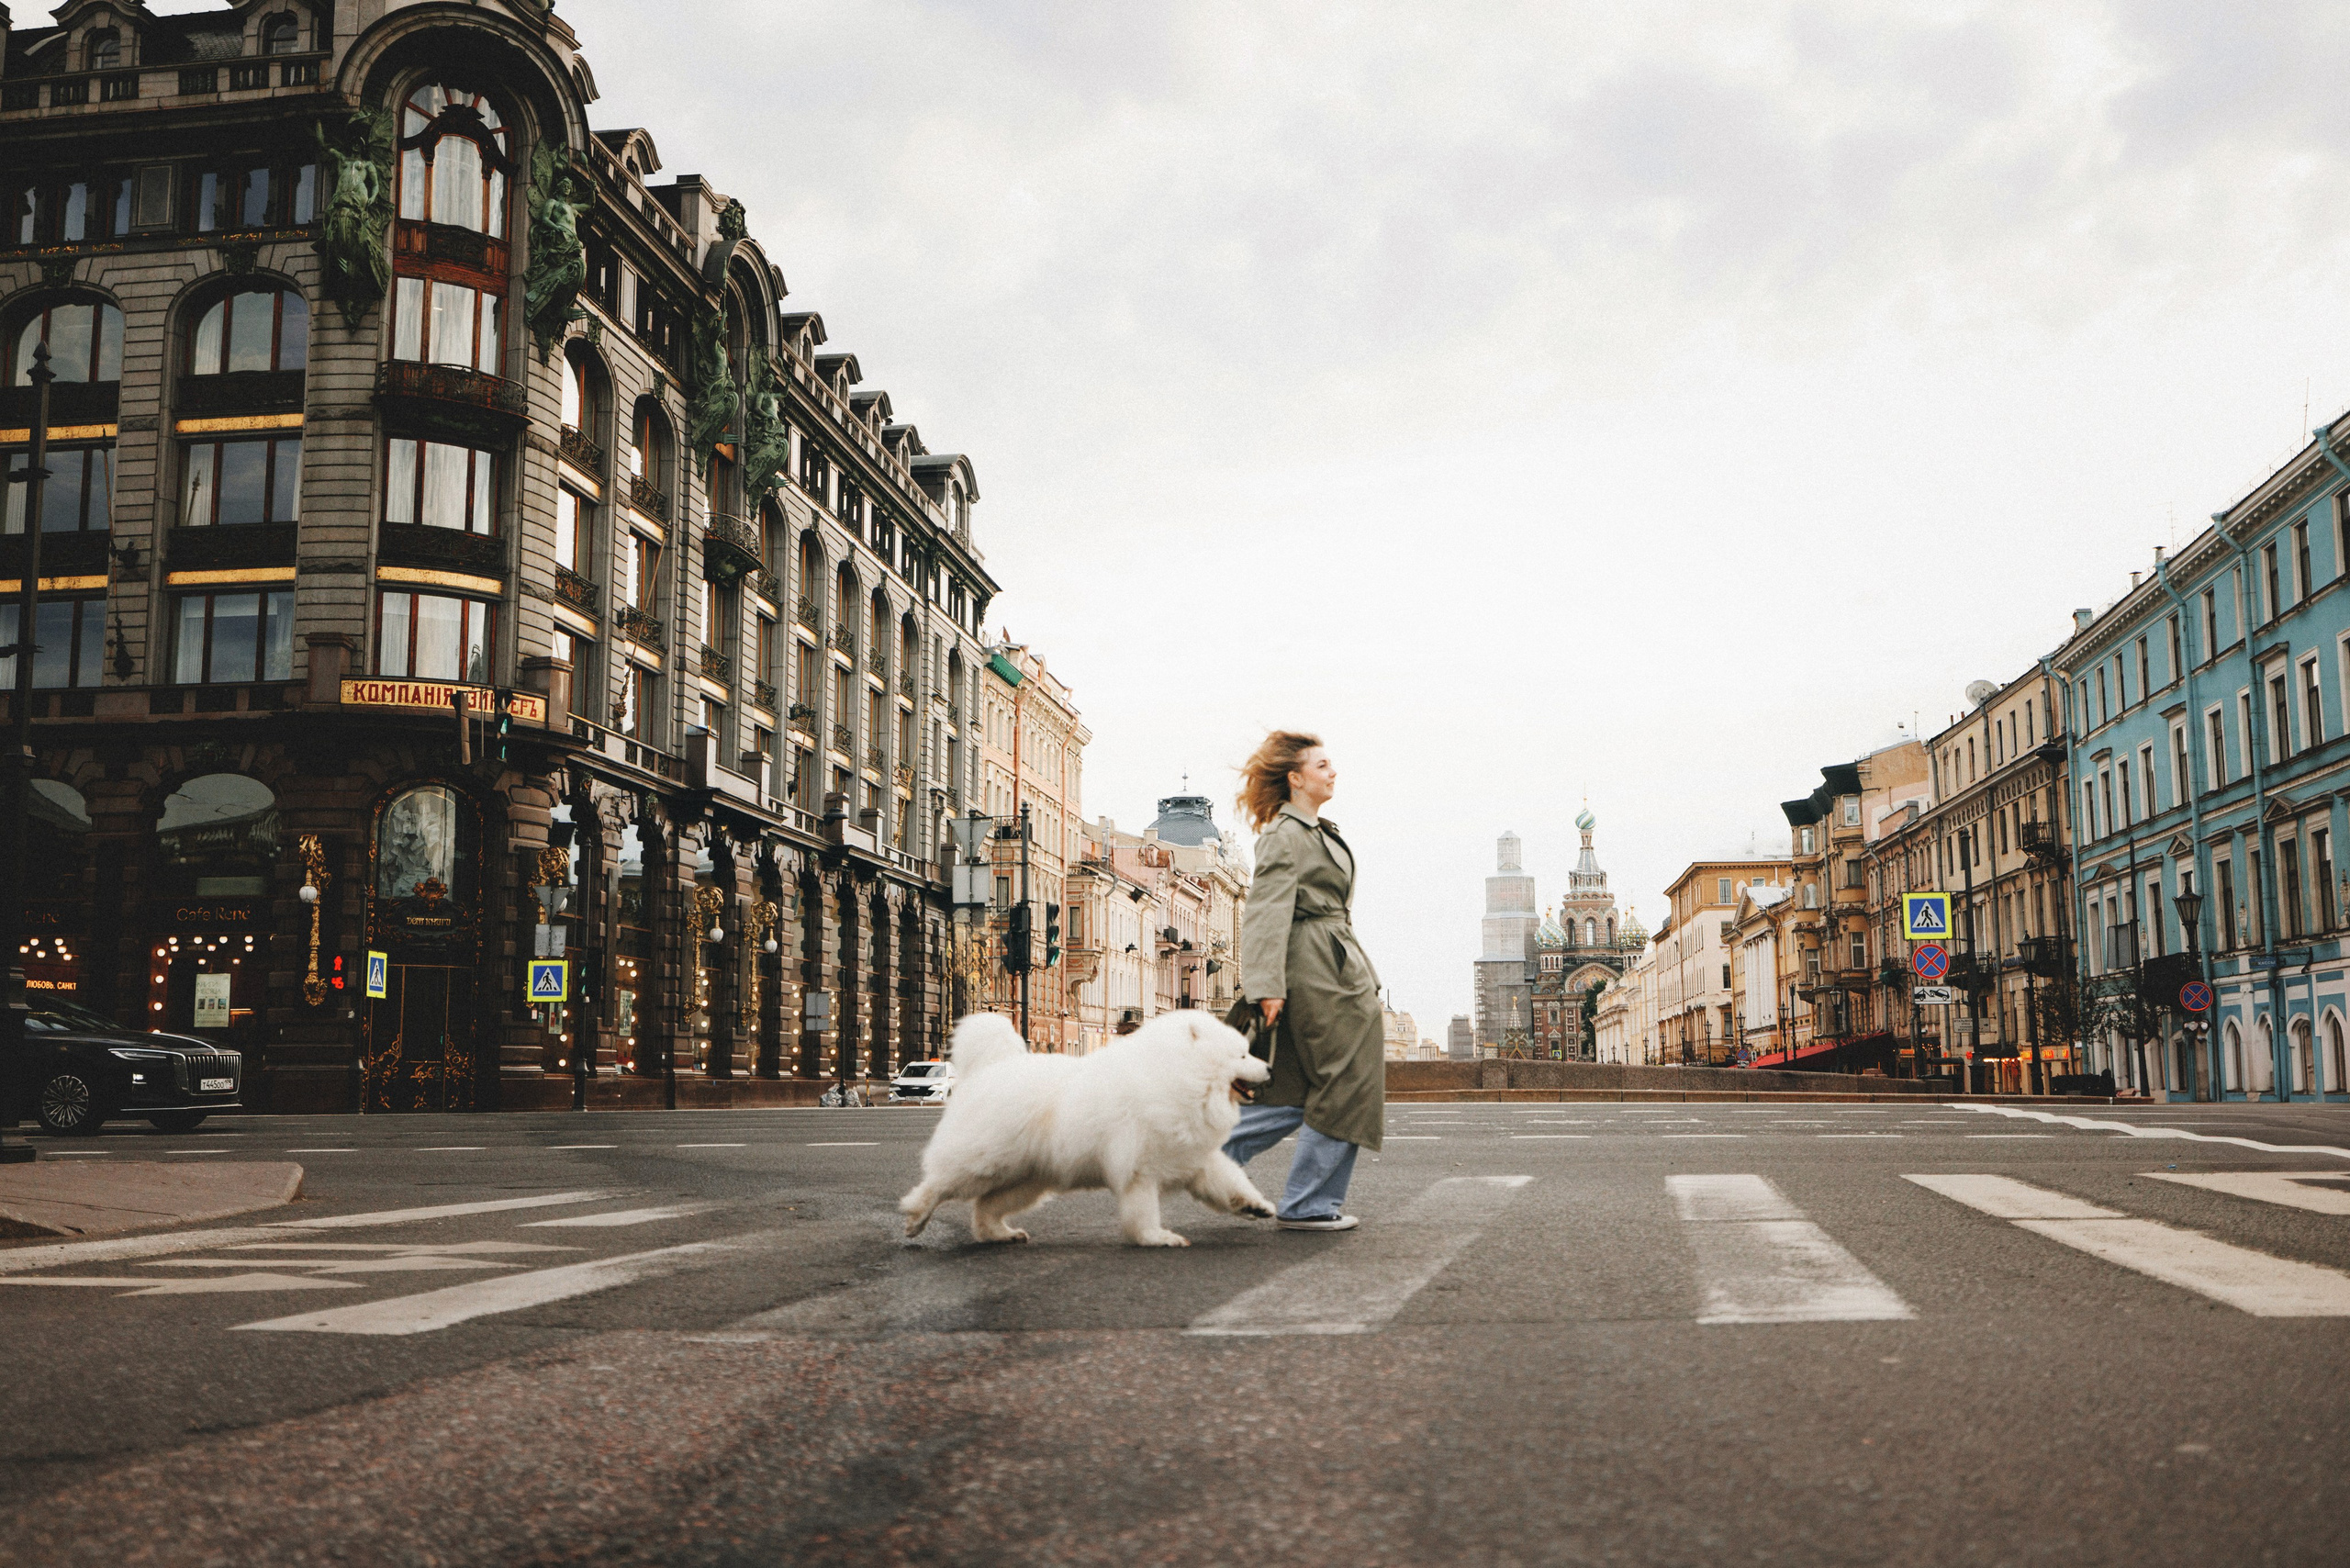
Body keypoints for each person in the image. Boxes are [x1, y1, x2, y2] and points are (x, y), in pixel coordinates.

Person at [1224, 731, 1384, 1231]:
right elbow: (1265, 913)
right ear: (1295, 779)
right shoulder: (1285, 835)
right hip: (1320, 973)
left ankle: (1203, 1163)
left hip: (1327, 963)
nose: (1332, 771)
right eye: (1321, 766)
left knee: (1290, 1089)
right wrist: (1265, 986)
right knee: (1348, 1084)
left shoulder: (1313, 831)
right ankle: (1309, 1204)